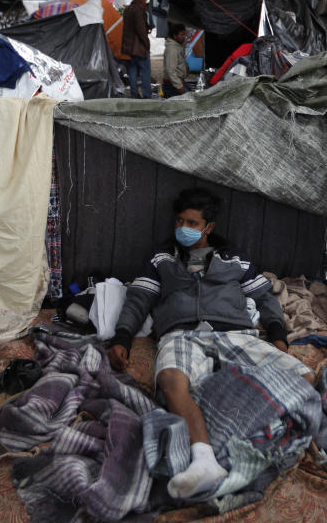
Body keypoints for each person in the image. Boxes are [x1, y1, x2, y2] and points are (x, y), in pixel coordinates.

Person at [107, 188, 314, 500]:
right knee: (171, 380)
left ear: (209, 227)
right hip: (181, 333)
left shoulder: (236, 260)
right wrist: (122, 338)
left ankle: (258, 439)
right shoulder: (161, 259)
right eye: (179, 221)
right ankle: (204, 462)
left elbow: (264, 298)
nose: (183, 228)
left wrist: (278, 336)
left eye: (192, 223)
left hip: (235, 333)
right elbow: (138, 300)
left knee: (305, 377)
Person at [122, 0, 152, 99]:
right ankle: (147, 96)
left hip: (130, 47)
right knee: (145, 73)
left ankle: (134, 95)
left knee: (132, 72)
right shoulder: (139, 10)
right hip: (139, 47)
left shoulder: (128, 9)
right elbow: (140, 30)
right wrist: (147, 44)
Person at [162, 23, 189, 98]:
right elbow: (170, 70)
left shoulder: (178, 46)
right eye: (181, 35)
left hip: (177, 81)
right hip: (172, 84)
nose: (184, 37)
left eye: (184, 34)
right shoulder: (172, 49)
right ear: (175, 36)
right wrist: (179, 86)